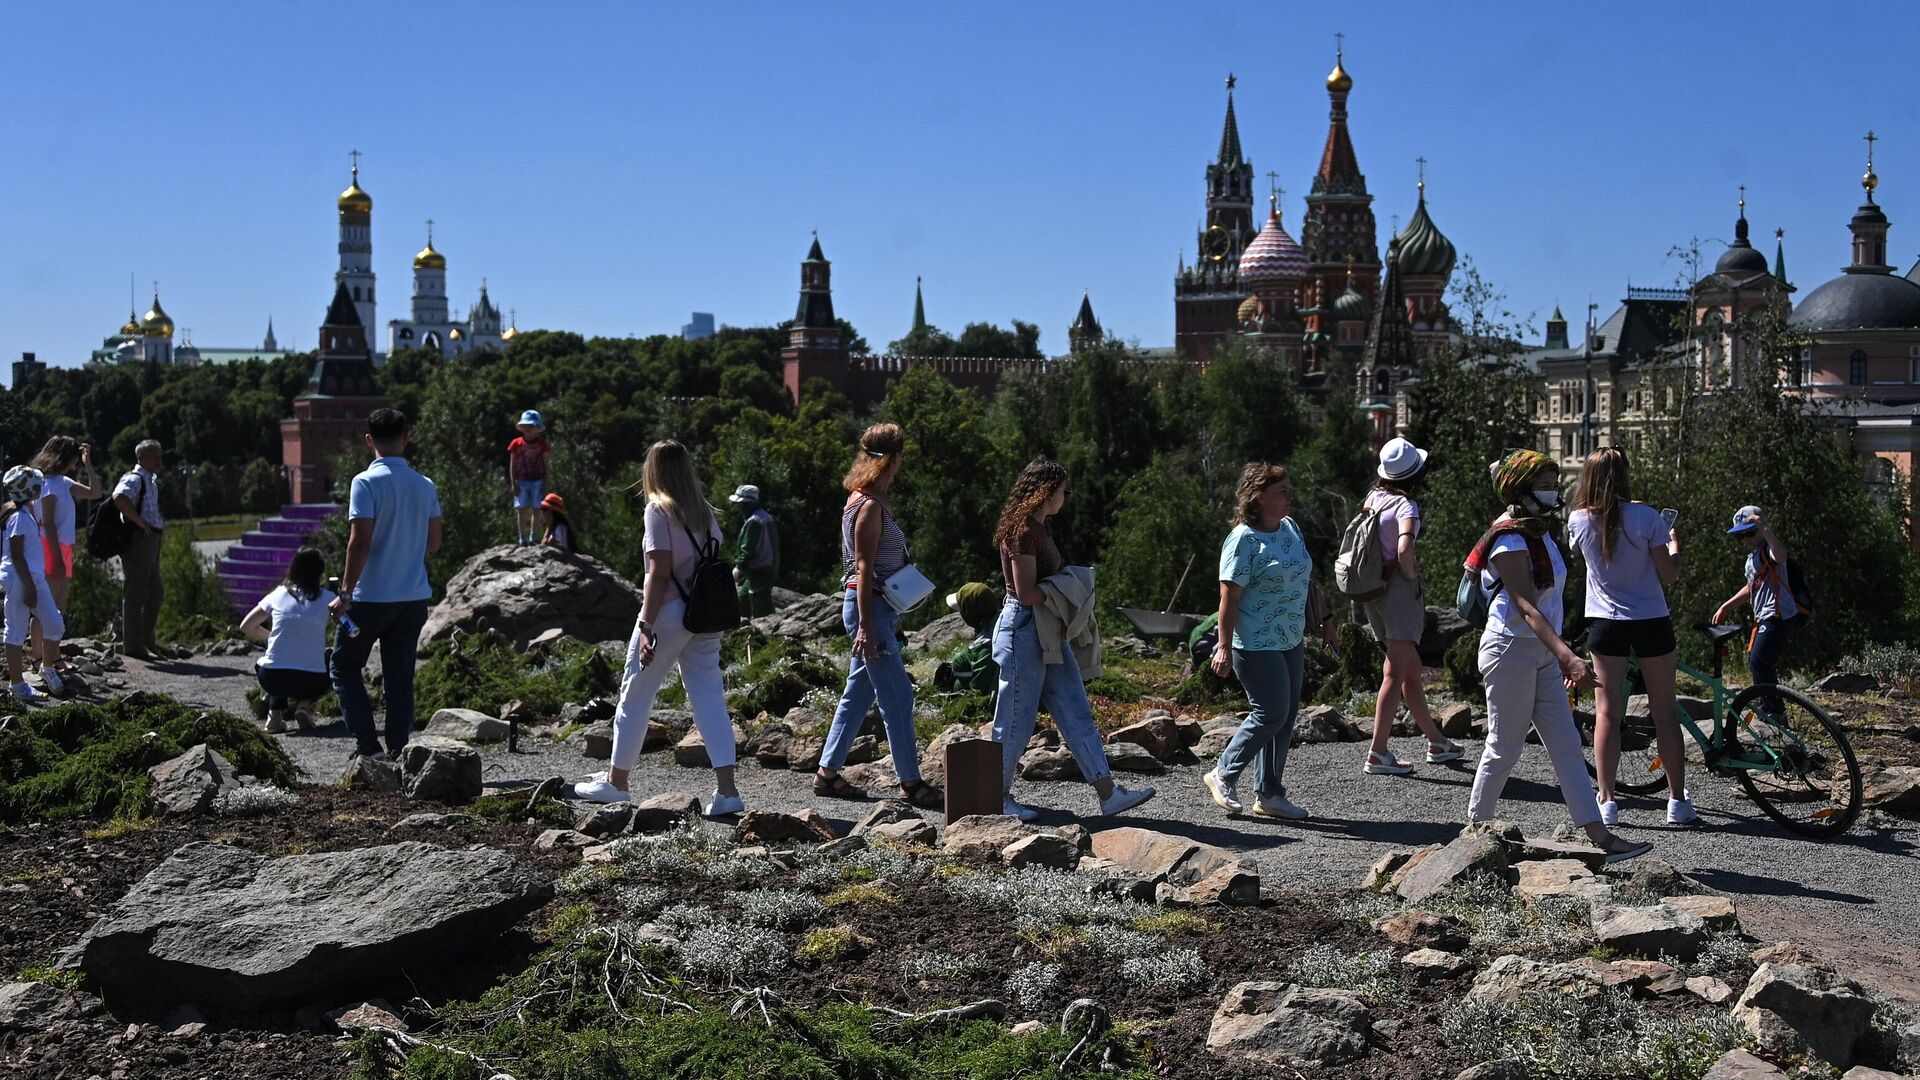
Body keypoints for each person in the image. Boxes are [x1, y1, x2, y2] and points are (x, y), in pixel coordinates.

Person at [1465, 450, 1650, 864]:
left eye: (1552, 484)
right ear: (1521, 490)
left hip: (1543, 651)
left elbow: (1546, 606)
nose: (1553, 493)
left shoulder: (1539, 531)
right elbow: (1528, 609)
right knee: (1504, 744)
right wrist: (1568, 657)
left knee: (1566, 744)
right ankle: (1474, 833)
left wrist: (1560, 653)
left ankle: (1600, 836)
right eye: (1545, 486)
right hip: (1510, 649)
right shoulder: (1509, 538)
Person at [573, 440, 743, 816]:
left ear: (654, 470)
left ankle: (617, 783)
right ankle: (727, 791)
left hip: (668, 614)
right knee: (710, 700)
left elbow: (658, 574)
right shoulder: (705, 513)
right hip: (705, 616)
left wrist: (646, 625)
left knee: (635, 696)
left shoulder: (658, 510)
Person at [993, 458, 1154, 821]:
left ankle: (1108, 794)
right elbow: (1026, 592)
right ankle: (995, 797)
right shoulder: (1022, 532)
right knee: (1016, 717)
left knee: (1074, 706)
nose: (1066, 497)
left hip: (1045, 631)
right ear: (1047, 493)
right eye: (1064, 491)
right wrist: (1069, 588)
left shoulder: (1039, 528)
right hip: (1024, 630)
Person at [814, 423, 942, 809]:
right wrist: (869, 627)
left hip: (875, 608)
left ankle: (828, 772)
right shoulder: (868, 505)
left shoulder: (864, 498)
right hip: (868, 609)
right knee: (899, 698)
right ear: (893, 459)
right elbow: (864, 569)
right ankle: (911, 783)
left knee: (859, 692)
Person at [1201, 463, 1334, 819]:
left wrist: (1327, 621)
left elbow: (1308, 578)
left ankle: (1270, 794)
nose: (1290, 497)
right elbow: (1228, 597)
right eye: (1282, 492)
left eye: (1289, 490)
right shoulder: (1244, 539)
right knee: (1269, 713)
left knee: (1286, 717)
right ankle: (1223, 772)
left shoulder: (1290, 528)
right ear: (1259, 498)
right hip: (1255, 643)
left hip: (1290, 638)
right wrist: (1223, 646)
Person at [1568, 447, 1693, 826]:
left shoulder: (1577, 519)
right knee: (1664, 712)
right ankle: (1677, 802)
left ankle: (1606, 801)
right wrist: (1674, 544)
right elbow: (1668, 574)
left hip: (1606, 623)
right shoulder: (1647, 517)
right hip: (1651, 618)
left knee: (1607, 712)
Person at [330, 409, 442, 761]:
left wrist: (345, 593)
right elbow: (435, 543)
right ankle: (399, 749)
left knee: (344, 666)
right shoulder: (425, 485)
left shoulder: (364, 483)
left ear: (369, 440)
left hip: (370, 597)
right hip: (412, 597)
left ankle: (368, 746)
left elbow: (359, 541)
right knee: (399, 677)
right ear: (407, 438)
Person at [1359, 437, 1465, 775]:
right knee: (1395, 671)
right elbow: (1405, 545)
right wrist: (1411, 570)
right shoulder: (1407, 507)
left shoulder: (1373, 497)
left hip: (1372, 590)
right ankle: (1378, 752)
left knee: (1410, 670)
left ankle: (1437, 741)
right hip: (1398, 593)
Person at [240, 548, 335, 733]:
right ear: (320, 573)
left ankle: (274, 717)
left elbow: (246, 626)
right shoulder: (329, 598)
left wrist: (273, 639)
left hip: (273, 678)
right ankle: (304, 705)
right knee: (329, 657)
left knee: (276, 659)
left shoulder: (279, 593)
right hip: (312, 680)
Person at [1712, 505, 1798, 692]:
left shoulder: (1768, 549)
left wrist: (1765, 530)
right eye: (1739, 536)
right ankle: (1767, 706)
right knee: (1757, 661)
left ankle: (1774, 711)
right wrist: (1726, 606)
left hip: (1777, 613)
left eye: (1749, 533)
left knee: (1759, 661)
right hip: (1763, 616)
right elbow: (1751, 587)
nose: (1745, 540)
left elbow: (1781, 557)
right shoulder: (1752, 558)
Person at [28, 437, 102, 636]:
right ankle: (39, 655)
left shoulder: (63, 482)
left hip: (64, 546)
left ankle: (52, 654)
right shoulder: (49, 485)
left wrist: (88, 465)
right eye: (75, 457)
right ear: (65, 457)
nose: (76, 461)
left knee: (59, 606)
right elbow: (48, 523)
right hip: (51, 546)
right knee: (46, 606)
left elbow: (95, 492)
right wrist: (58, 557)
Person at [3, 467, 65, 701]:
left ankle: (46, 667)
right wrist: (29, 587)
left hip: (32, 578)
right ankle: (17, 685)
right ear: (30, 490)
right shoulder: (19, 517)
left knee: (55, 623)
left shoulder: (25, 512)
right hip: (22, 579)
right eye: (38, 486)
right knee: (16, 630)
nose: (42, 489)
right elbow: (17, 555)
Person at [110, 440, 166, 661]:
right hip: (139, 540)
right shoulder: (134, 478)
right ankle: (133, 644)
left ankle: (146, 638)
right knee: (136, 591)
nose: (160, 459)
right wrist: (140, 523)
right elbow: (119, 497)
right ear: (144, 457)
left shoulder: (150, 481)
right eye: (156, 455)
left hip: (150, 539)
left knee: (155, 590)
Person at [728, 484, 779, 617]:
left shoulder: (755, 521)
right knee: (742, 600)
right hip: (761, 570)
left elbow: (748, 549)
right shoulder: (765, 517)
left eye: (740, 503)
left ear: (748, 503)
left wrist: (739, 567)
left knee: (761, 610)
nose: (737, 507)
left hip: (760, 570)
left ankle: (768, 635)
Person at [507, 409, 548, 546]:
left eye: (532, 426)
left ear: (537, 428)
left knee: (537, 509)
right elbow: (512, 464)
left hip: (538, 480)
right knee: (522, 509)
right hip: (522, 481)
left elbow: (547, 463)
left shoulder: (542, 444)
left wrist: (547, 482)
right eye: (526, 426)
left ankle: (534, 537)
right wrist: (513, 483)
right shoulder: (516, 443)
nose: (529, 429)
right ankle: (522, 537)